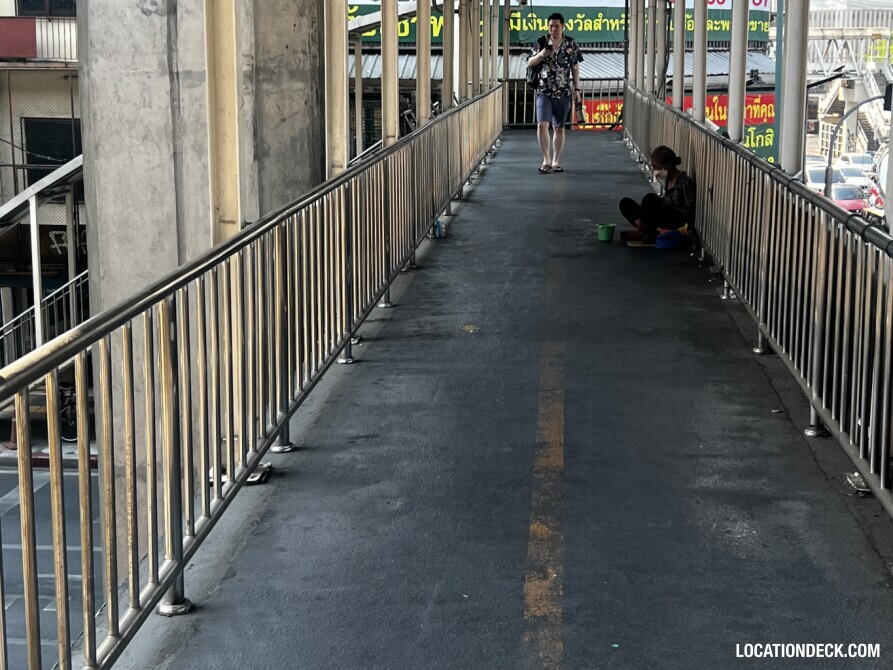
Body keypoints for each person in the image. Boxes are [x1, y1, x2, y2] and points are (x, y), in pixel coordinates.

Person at [527, 13, 583, 174]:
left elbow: (575, 67)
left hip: (564, 92)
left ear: (562, 27)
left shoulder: (570, 43)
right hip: (544, 91)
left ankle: (556, 160)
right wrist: (541, 55)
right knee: (542, 124)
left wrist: (577, 89)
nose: (553, 29)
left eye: (557, 26)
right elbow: (530, 62)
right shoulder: (541, 42)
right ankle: (546, 159)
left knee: (559, 128)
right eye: (551, 26)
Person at [619, 146, 696, 244]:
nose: (654, 170)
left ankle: (643, 231)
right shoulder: (668, 180)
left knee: (650, 199)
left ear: (667, 166)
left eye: (656, 167)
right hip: (663, 215)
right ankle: (643, 229)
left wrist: (666, 205)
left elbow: (688, 212)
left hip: (676, 220)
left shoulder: (684, 182)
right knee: (625, 203)